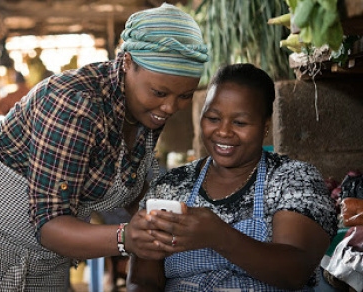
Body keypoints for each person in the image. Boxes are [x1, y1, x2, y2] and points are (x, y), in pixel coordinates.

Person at [0, 3, 208, 291]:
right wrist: (126, 237)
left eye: (185, 96)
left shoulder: (147, 107)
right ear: (128, 62)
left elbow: (126, 181)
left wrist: (164, 214)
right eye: (160, 92)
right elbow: (50, 225)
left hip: (44, 240)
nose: (170, 107)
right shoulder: (75, 105)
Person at [125, 63, 338, 291]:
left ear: (265, 126)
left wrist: (219, 236)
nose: (224, 131)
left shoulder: (293, 180)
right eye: (213, 118)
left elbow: (294, 271)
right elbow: (143, 279)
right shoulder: (171, 187)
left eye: (240, 122)